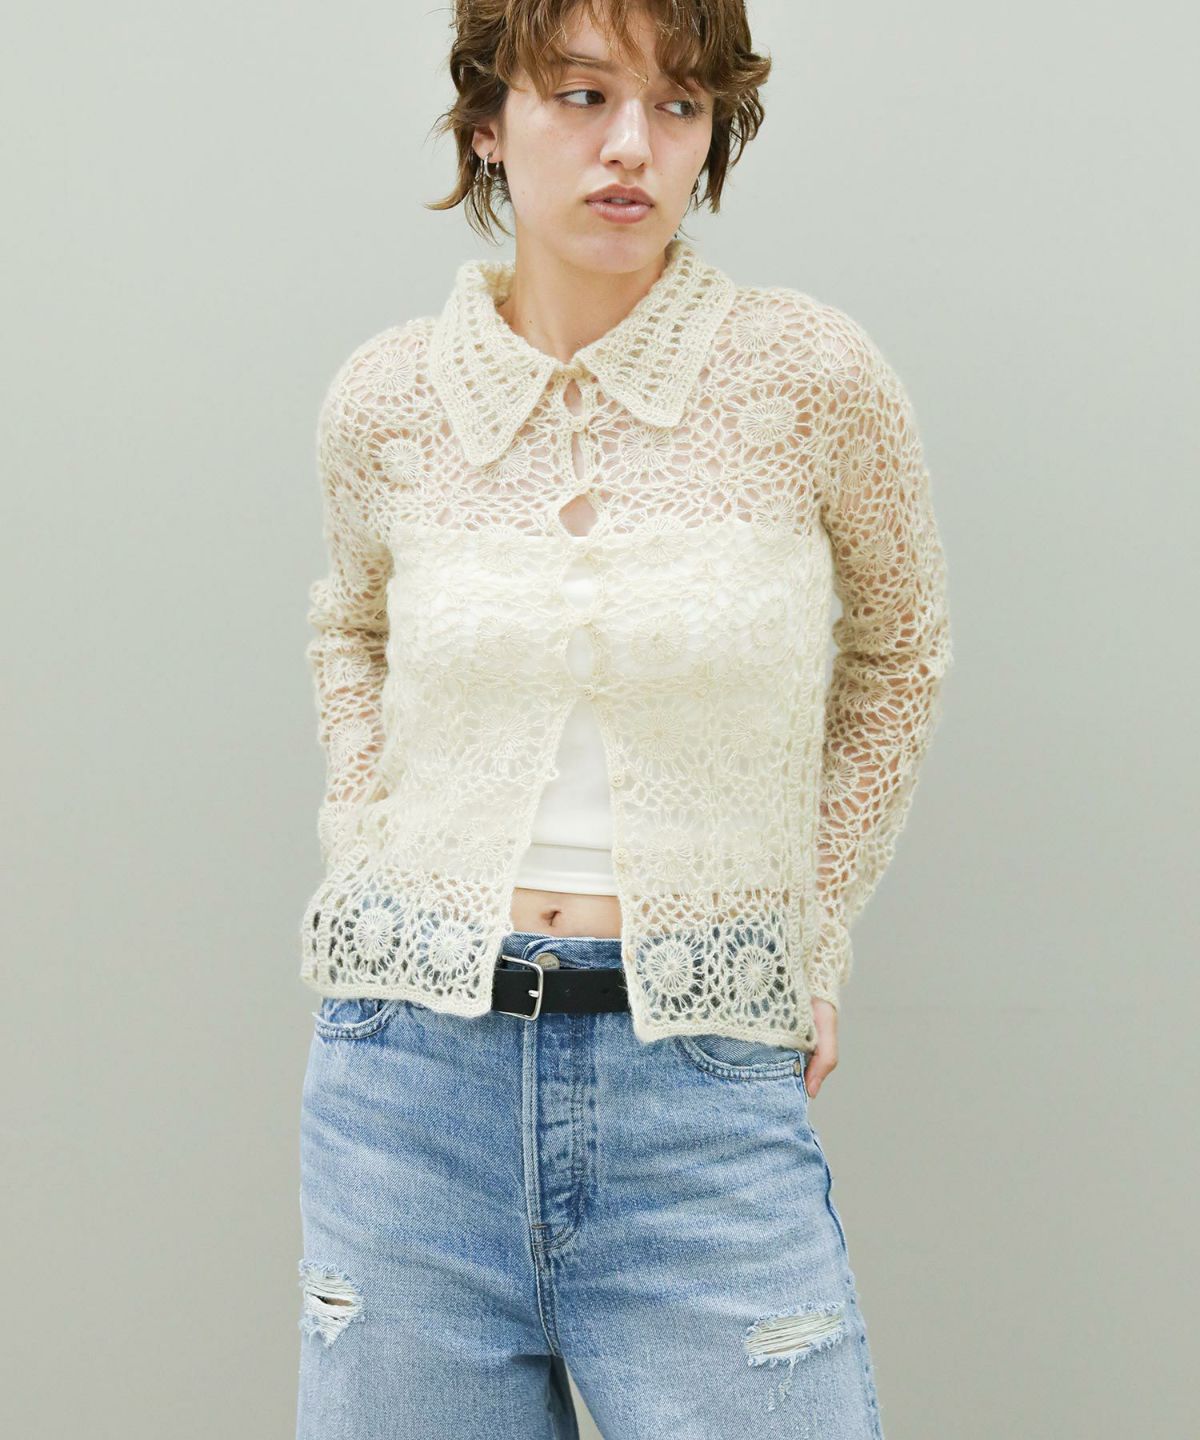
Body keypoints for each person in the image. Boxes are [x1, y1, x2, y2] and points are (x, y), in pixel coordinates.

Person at [295, 2, 952, 1435]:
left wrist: (814, 926)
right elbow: (351, 629)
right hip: (407, 1093)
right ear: (489, 122)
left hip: (699, 1088)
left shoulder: (808, 377)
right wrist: (364, 845)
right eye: (583, 96)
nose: (632, 148)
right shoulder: (388, 400)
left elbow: (902, 651)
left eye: (678, 104)